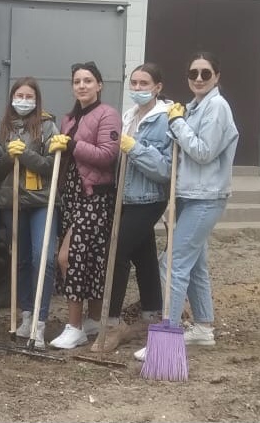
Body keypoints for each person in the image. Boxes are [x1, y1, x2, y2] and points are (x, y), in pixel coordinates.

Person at [135, 51, 238, 361]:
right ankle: (203, 327)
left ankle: (168, 331)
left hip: (206, 197)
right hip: (189, 195)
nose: (199, 78)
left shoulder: (217, 107)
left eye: (206, 73)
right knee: (194, 264)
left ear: (217, 76)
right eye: (193, 73)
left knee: (172, 264)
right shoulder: (194, 107)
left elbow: (203, 152)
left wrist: (177, 122)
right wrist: (179, 118)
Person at [90, 63, 172, 352]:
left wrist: (134, 148)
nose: (137, 88)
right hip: (126, 196)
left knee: (117, 251)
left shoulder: (165, 120)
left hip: (149, 198)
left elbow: (165, 169)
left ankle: (112, 323)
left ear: (158, 87)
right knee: (144, 254)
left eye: (144, 83)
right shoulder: (129, 115)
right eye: (134, 83)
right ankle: (151, 314)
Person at [49, 61, 122, 350]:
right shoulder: (69, 119)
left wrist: (71, 145)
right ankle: (92, 320)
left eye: (88, 80)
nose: (82, 85)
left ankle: (75, 327)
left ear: (99, 85)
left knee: (70, 257)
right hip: (73, 197)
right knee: (88, 258)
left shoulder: (108, 114)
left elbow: (107, 154)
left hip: (95, 198)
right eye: (77, 81)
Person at [0, 77, 59, 349]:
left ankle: (40, 323)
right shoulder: (3, 127)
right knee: (20, 261)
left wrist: (26, 156)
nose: (23, 100)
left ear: (36, 100)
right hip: (12, 202)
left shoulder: (47, 125)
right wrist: (9, 156)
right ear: (11, 98)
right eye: (19, 95)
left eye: (29, 96)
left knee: (42, 259)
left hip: (41, 201)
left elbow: (51, 166)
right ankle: (26, 315)